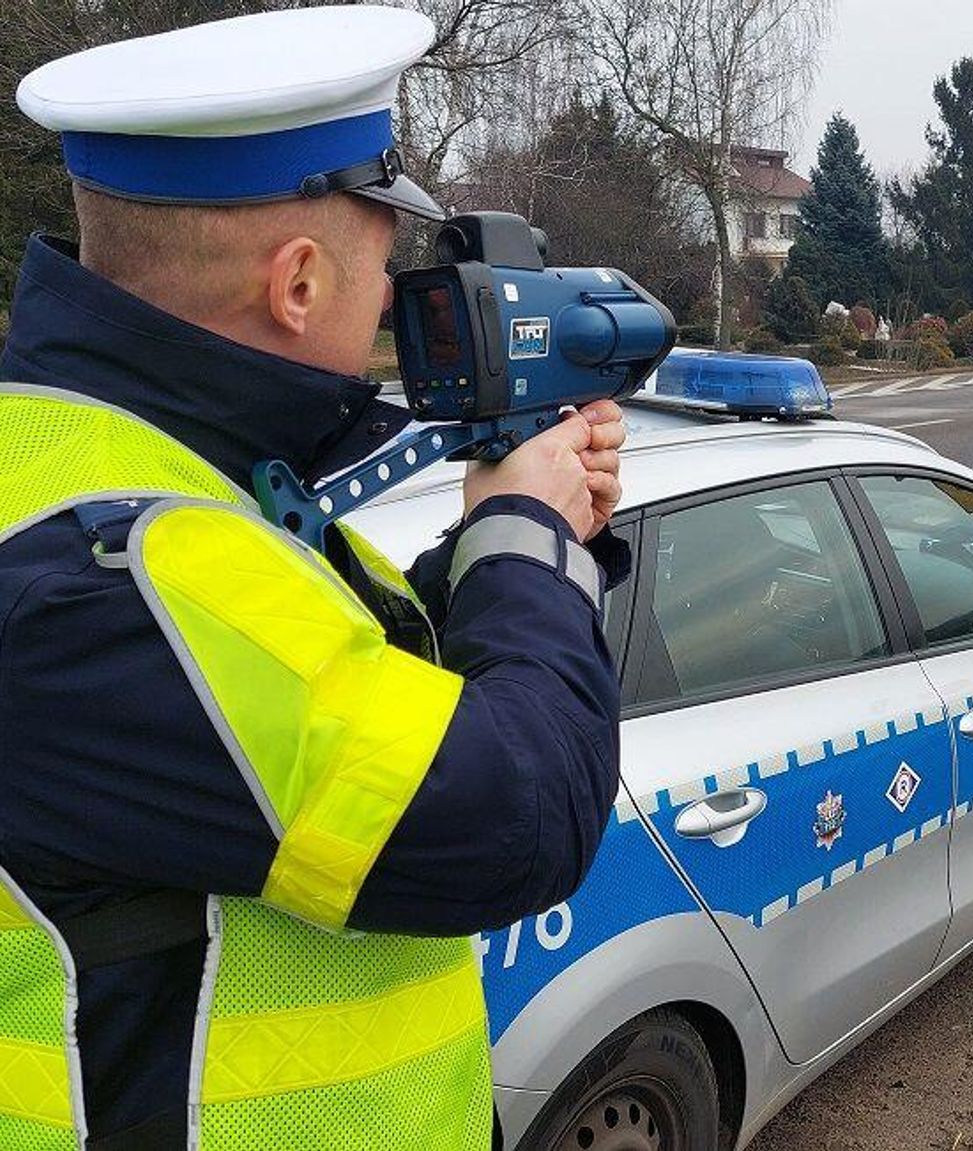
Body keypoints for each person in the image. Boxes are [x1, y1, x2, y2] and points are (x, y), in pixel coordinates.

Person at [0, 7, 627, 1148]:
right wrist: (529, 531)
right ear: (296, 284)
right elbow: (517, 808)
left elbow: (342, 699)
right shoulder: (107, 579)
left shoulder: (116, 479)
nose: (394, 298)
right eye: (385, 263)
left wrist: (519, 541)